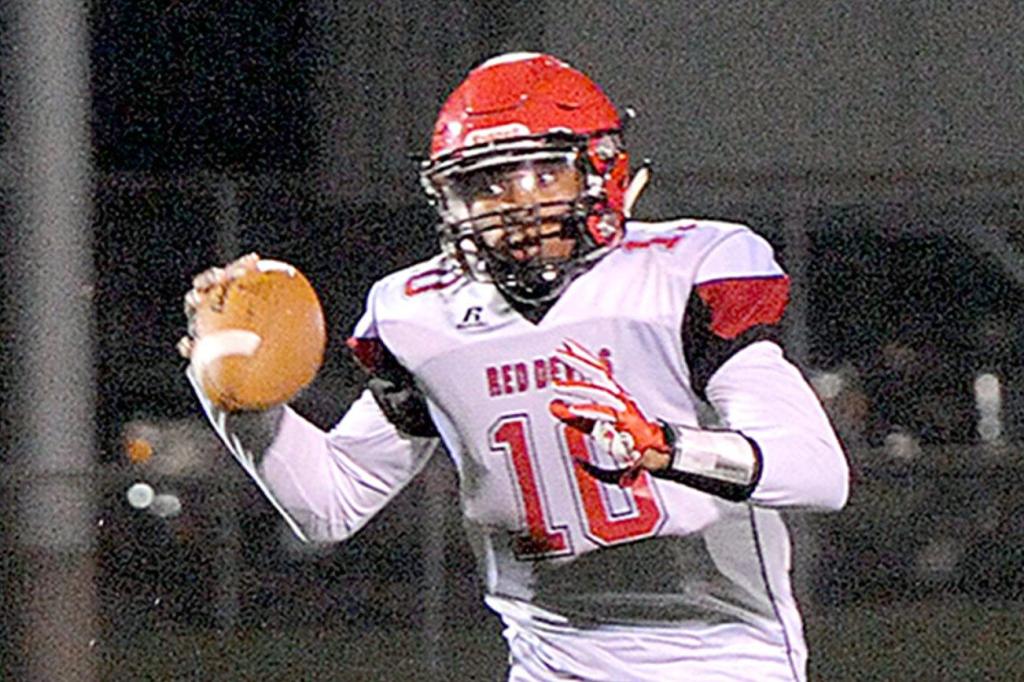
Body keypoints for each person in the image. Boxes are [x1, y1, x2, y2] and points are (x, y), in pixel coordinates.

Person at [180, 52, 849, 682]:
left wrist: (669, 449)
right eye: (486, 187)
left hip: (723, 660)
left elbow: (818, 474)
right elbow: (330, 505)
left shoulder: (684, 273)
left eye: (543, 175)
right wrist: (236, 396)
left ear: (602, 171)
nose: (517, 208)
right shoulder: (420, 314)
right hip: (549, 665)